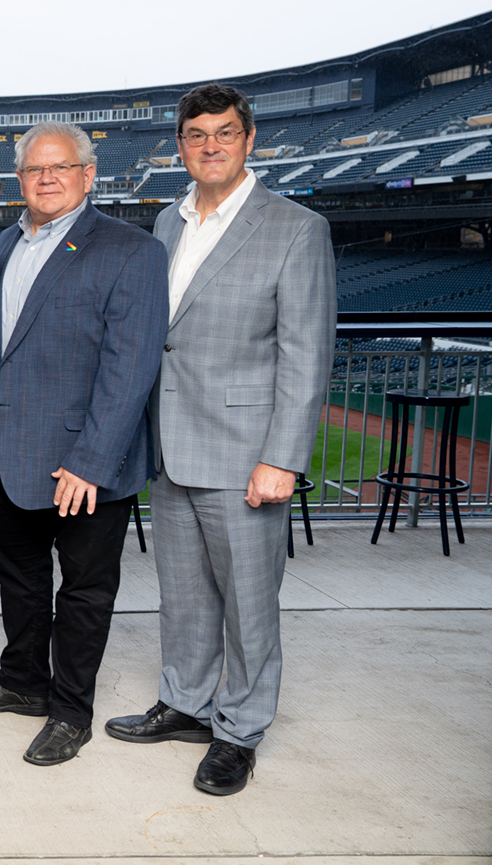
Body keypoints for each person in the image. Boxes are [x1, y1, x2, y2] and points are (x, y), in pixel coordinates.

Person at [104, 83, 336, 796]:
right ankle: (186, 699)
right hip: (170, 445)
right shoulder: (167, 223)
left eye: (224, 133)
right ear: (180, 146)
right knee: (185, 595)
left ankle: (239, 729)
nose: (210, 145)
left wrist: (282, 458)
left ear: (250, 139)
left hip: (245, 455)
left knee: (248, 601)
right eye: (196, 135)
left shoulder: (295, 227)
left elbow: (306, 353)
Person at [0, 121, 168, 767]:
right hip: (9, 456)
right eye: (33, 170)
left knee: (82, 592)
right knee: (18, 580)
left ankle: (70, 712)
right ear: (18, 179)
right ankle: (22, 680)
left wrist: (91, 463)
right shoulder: (2, 245)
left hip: (84, 464)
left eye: (60, 168)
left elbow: (130, 371)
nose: (46, 179)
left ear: (87, 175)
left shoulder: (130, 250)